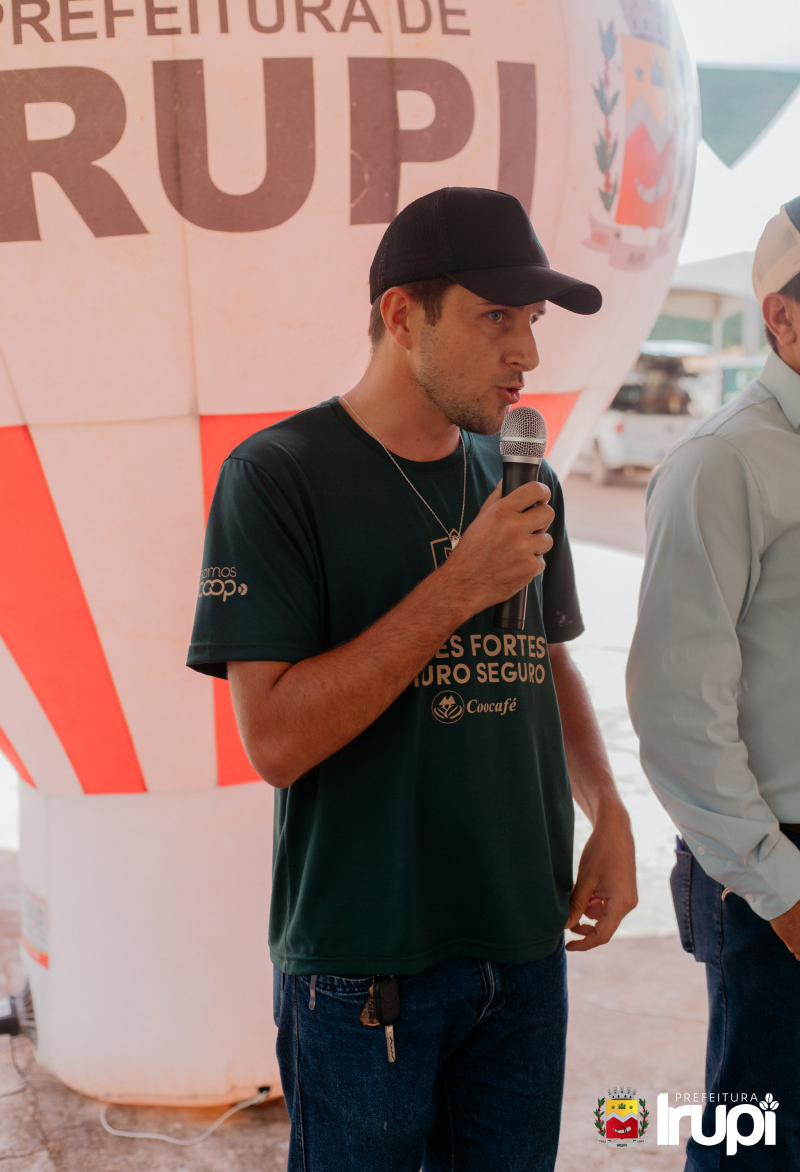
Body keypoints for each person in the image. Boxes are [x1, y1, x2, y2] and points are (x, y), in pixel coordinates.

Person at [188, 186, 637, 1172]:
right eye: (496, 317)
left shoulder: (523, 478)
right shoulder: (278, 476)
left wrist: (605, 807)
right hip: (366, 966)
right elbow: (276, 742)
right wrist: (456, 586)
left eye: (532, 321)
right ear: (401, 315)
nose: (526, 353)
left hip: (524, 945)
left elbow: (543, 656)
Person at [627, 197, 800, 1170]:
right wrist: (781, 890)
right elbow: (676, 711)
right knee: (759, 1144)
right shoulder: (721, 463)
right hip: (772, 866)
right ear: (782, 317)